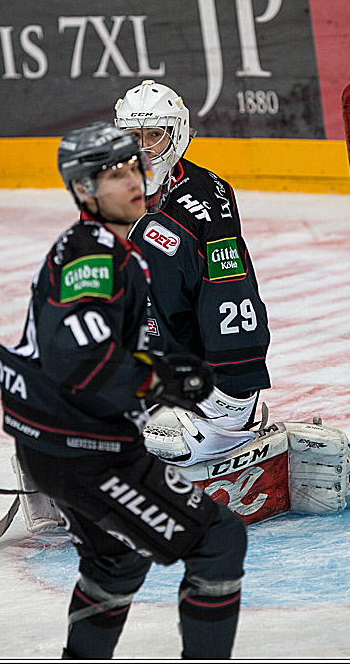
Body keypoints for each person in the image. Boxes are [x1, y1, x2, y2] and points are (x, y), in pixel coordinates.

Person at [0, 121, 247, 659]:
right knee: (218, 541)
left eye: (134, 165)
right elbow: (77, 360)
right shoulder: (94, 256)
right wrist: (161, 378)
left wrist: (155, 369)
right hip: (86, 450)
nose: (133, 179)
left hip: (52, 444)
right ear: (84, 191)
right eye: (114, 174)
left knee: (117, 562)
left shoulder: (104, 245)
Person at [114, 80, 271, 466]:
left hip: (205, 391)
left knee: (145, 444)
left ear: (177, 134)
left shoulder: (204, 201)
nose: (143, 148)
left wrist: (233, 393)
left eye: (155, 135)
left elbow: (232, 300)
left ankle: (228, 418)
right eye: (133, 136)